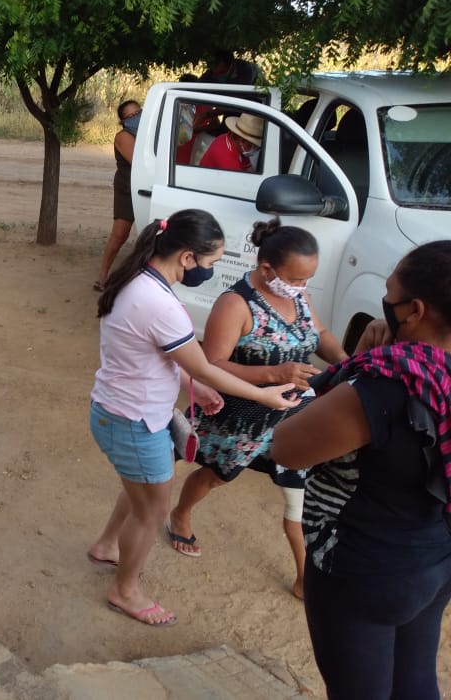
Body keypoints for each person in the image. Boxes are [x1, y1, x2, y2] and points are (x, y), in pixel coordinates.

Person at [87, 208, 299, 626]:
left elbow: (158, 356)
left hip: (120, 412)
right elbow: (204, 366)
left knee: (140, 491)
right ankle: (125, 590)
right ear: (187, 257)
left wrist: (193, 388)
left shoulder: (138, 280)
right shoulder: (158, 303)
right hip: (135, 422)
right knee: (152, 511)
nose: (210, 271)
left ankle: (107, 546)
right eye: (210, 262)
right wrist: (264, 395)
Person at [272, 241, 451, 700]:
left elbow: (287, 447)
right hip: (435, 557)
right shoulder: (431, 374)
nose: (383, 304)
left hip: (365, 570)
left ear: (415, 310)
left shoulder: (384, 386)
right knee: (415, 683)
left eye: (389, 295)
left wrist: (357, 367)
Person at [167, 219, 347, 600]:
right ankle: (180, 513)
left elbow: (320, 335)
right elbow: (211, 364)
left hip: (294, 411)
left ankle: (304, 578)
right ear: (267, 270)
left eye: (307, 279)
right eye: (296, 278)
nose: (302, 286)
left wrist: (348, 365)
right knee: (217, 476)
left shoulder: (299, 294)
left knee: (298, 488)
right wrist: (274, 373)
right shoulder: (235, 304)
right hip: (242, 418)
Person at [93, 100, 140, 291]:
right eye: (130, 117)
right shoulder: (123, 136)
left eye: (138, 113)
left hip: (145, 188)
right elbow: (138, 161)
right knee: (120, 234)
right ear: (123, 122)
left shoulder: (148, 133)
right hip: (127, 188)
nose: (135, 118)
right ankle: (103, 276)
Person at [198, 113, 263, 171]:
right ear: (242, 141)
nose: (256, 149)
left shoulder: (230, 140)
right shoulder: (228, 162)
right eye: (254, 145)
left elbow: (248, 168)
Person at [198, 49, 264, 85]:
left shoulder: (248, 71)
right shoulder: (209, 75)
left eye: (222, 73)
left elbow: (241, 95)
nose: (216, 75)